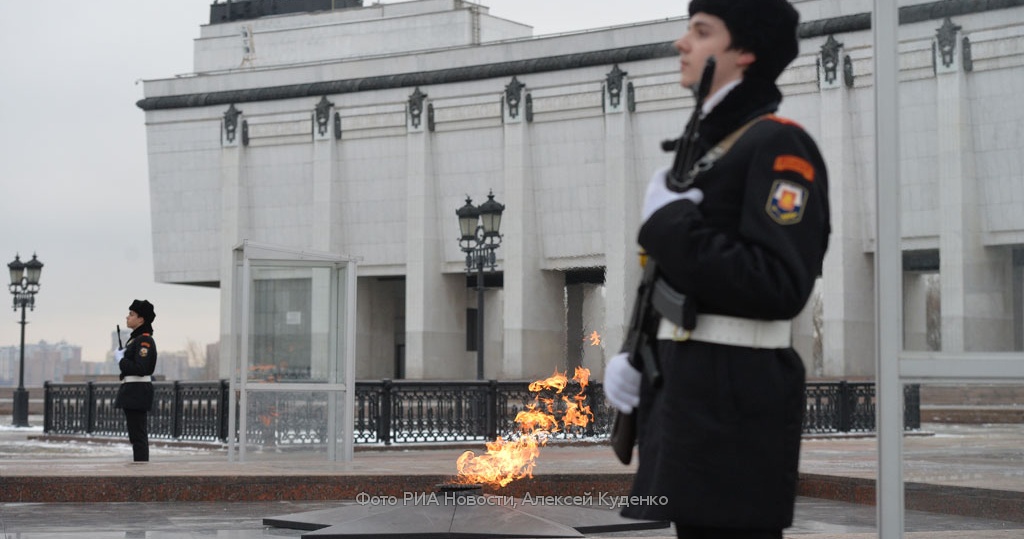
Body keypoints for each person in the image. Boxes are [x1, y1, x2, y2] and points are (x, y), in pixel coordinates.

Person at [603, 1, 831, 538]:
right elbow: (675, 282)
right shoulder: (710, 149)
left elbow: (780, 283)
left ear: (745, 52)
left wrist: (671, 222)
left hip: (734, 409)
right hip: (692, 400)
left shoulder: (779, 145)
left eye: (702, 33)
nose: (683, 44)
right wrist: (637, 355)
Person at [114, 299, 158, 463]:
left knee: (138, 435)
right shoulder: (136, 340)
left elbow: (141, 368)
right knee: (135, 435)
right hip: (133, 390)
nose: (127, 317)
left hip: (137, 391)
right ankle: (140, 466)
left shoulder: (144, 340)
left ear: (141, 320)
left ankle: (142, 469)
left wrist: (121, 360)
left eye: (131, 314)